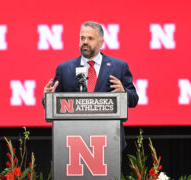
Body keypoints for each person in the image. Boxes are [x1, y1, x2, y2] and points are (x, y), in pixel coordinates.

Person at [43, 21, 138, 150]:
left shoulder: (118, 67)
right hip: (74, 142)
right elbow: (50, 103)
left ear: (101, 42)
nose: (85, 42)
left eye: (90, 38)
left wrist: (123, 94)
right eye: (82, 38)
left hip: (109, 141)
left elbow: (134, 99)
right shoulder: (65, 68)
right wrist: (48, 97)